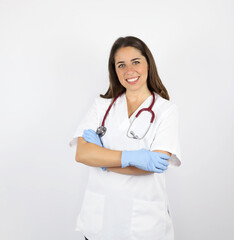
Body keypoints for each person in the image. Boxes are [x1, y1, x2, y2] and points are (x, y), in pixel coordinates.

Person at [69, 36, 181, 240]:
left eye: (136, 62)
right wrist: (132, 157)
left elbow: (154, 165)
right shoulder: (101, 106)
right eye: (121, 65)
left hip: (143, 226)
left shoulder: (166, 110)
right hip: (99, 224)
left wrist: (102, 161)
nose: (129, 71)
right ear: (115, 70)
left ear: (148, 64)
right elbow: (82, 153)